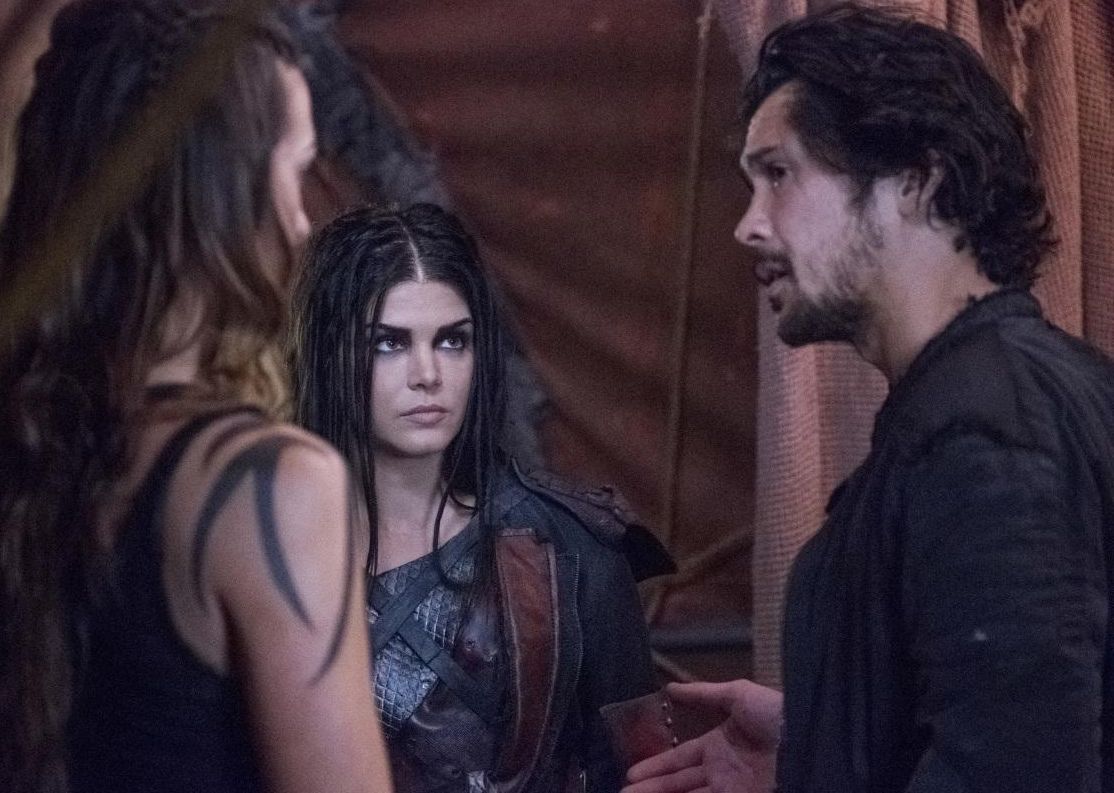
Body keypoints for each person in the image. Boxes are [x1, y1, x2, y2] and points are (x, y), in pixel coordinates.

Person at [624, 3, 1114, 792]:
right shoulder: (984, 399)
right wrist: (815, 743)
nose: (748, 226)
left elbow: (1016, 768)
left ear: (918, 180)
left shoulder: (987, 427)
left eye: (779, 174)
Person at [0, 2, 391, 791]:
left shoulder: (26, 446)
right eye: (295, 169)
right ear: (224, 192)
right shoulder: (271, 487)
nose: (303, 222)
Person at [290, 202, 673, 793]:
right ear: (330, 353)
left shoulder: (571, 549)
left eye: (452, 341)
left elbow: (648, 776)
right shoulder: (268, 553)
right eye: (389, 343)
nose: (427, 374)